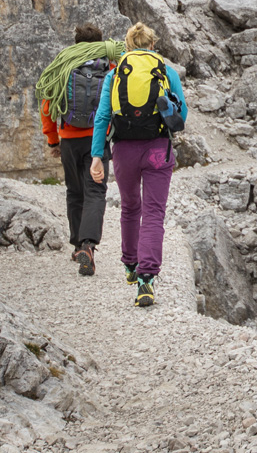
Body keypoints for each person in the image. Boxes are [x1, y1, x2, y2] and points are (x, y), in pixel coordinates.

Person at [90, 21, 187, 307]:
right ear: (153, 45)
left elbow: (102, 117)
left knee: (131, 206)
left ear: (128, 46)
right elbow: (182, 115)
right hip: (158, 149)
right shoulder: (166, 71)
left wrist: (97, 156)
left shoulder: (116, 73)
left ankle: (131, 266)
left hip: (123, 151)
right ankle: (146, 280)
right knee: (154, 213)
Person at [37, 24, 124, 276]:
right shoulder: (109, 67)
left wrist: (53, 140)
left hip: (69, 140)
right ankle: (89, 245)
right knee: (95, 191)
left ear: (76, 42)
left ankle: (77, 245)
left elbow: (46, 105)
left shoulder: (63, 66)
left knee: (74, 192)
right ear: (99, 41)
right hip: (98, 139)